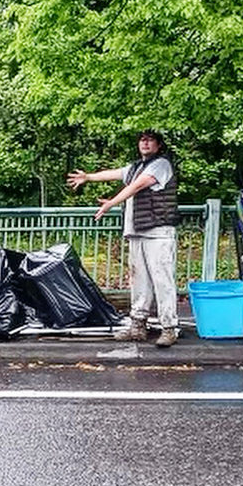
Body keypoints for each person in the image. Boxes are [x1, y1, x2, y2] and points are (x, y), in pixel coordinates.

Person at [67, 130, 181, 347]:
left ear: (158, 145)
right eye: (142, 139)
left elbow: (137, 186)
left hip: (158, 231)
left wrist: (111, 202)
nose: (145, 143)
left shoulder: (161, 165)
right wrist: (88, 177)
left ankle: (169, 328)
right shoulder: (137, 166)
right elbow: (115, 173)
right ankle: (138, 325)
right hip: (138, 231)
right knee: (139, 280)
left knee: (162, 280)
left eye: (150, 140)